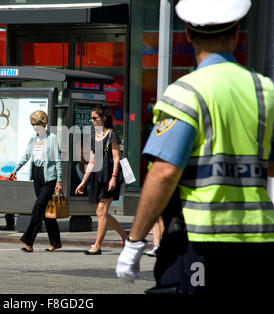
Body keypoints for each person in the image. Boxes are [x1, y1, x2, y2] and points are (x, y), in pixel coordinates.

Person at [116, 0, 274, 294]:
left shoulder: (185, 92)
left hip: (200, 239)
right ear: (237, 32)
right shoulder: (265, 90)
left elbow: (164, 172)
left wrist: (135, 241)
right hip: (258, 238)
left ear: (187, 34)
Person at [75, 105, 127, 255]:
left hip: (109, 176)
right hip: (97, 177)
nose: (92, 121)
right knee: (100, 212)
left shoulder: (112, 135)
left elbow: (116, 159)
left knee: (102, 212)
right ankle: (126, 237)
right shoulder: (93, 136)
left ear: (103, 118)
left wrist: (114, 178)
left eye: (94, 118)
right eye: (91, 118)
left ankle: (97, 246)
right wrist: (83, 181)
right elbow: (91, 162)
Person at [9, 110, 63, 253]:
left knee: (38, 208)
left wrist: (59, 180)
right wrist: (16, 169)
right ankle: (56, 242)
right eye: (33, 124)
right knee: (45, 210)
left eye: (38, 124)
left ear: (43, 124)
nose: (35, 127)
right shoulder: (33, 138)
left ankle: (28, 241)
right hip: (37, 175)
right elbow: (27, 155)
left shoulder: (51, 138)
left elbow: (58, 160)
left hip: (49, 177)